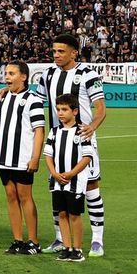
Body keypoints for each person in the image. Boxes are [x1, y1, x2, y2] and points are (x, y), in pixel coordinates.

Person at [41, 33, 108, 257]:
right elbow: (36, 99)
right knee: (58, 188)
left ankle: (97, 240)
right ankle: (61, 239)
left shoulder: (88, 74)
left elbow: (100, 108)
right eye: (54, 51)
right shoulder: (48, 74)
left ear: (74, 52)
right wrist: (7, 91)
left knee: (90, 187)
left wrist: (93, 126)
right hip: (58, 140)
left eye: (61, 51)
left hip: (82, 140)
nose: (56, 55)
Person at [0, 60, 46, 255]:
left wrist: (35, 157)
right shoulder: (1, 99)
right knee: (11, 197)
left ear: (23, 76)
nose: (7, 77)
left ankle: (33, 241)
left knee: (25, 196)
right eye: (6, 73)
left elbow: (39, 131)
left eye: (12, 74)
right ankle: (17, 240)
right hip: (4, 157)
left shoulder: (33, 99)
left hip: (22, 158)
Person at [45, 94, 95, 263]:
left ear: (75, 111)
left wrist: (72, 173)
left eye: (64, 109)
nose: (60, 113)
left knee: (74, 215)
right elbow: (48, 156)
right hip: (58, 181)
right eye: (58, 109)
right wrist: (55, 173)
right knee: (62, 214)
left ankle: (78, 249)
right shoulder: (54, 132)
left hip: (75, 182)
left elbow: (87, 157)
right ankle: (67, 248)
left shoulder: (82, 131)